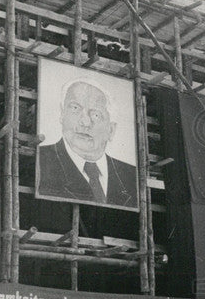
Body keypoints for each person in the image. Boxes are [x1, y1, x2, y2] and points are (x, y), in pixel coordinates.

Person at [37, 80, 138, 208]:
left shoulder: (131, 176)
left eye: (96, 115)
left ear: (111, 130)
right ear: (62, 114)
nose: (85, 122)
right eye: (75, 108)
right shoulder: (40, 160)